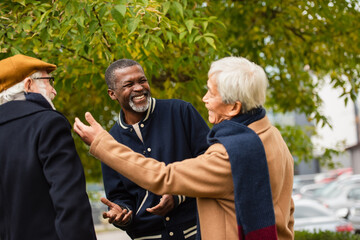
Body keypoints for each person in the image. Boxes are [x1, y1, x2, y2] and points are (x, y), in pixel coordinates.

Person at [74, 56, 295, 240]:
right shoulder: (271, 134)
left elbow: (164, 177)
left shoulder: (231, 153)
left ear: (233, 107)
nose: (204, 99)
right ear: (112, 93)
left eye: (211, 92)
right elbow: (287, 207)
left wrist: (101, 143)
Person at [97, 59, 210, 239]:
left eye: (142, 80)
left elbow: (210, 163)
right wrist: (122, 214)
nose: (139, 87)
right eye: (128, 84)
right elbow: (119, 195)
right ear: (112, 94)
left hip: (195, 231)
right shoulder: (110, 141)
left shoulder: (181, 111)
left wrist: (178, 195)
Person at [0, 54, 97, 240]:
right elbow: (70, 203)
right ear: (28, 85)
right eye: (49, 81)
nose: (54, 91)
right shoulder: (49, 123)